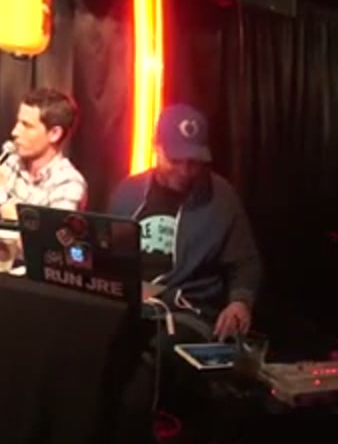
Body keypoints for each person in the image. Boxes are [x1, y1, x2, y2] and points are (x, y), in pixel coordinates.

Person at [107, 103, 261, 340]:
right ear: (156, 147)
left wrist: (240, 302)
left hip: (187, 311)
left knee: (147, 344)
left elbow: (246, 263)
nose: (184, 171)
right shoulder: (128, 191)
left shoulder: (221, 197)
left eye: (193, 162)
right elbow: (106, 253)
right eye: (175, 160)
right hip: (130, 302)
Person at [0, 88, 87, 217]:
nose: (15, 132)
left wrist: (0, 193)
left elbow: (42, 231)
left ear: (54, 134)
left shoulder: (69, 183)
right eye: (18, 122)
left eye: (27, 125)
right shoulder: (8, 165)